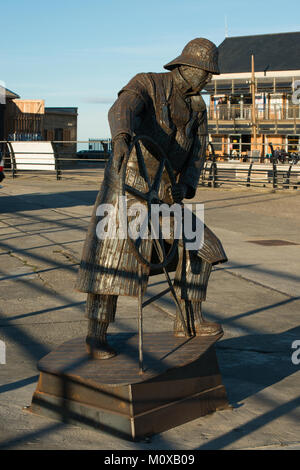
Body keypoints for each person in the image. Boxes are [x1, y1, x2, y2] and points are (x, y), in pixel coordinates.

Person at [76, 38, 227, 359]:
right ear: (186, 67)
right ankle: (96, 335)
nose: (208, 79)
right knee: (111, 264)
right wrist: (120, 137)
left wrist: (185, 187)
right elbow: (123, 107)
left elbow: (198, 155)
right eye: (205, 72)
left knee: (206, 247)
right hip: (126, 191)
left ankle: (188, 320)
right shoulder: (148, 83)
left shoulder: (198, 108)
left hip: (165, 199)